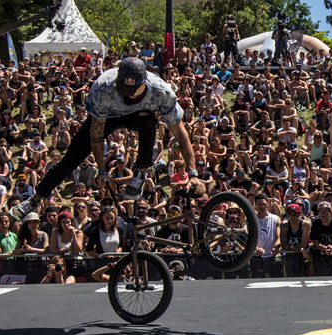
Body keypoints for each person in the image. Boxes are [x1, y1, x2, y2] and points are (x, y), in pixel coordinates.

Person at [13, 57, 196, 219]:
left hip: (139, 116)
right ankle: (36, 198)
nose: (126, 94)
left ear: (143, 82)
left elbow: (180, 133)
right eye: (123, 88)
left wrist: (193, 173)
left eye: (131, 90)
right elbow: (97, 134)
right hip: (107, 117)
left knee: (148, 120)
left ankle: (141, 172)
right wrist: (101, 169)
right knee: (70, 159)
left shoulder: (160, 92)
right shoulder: (103, 89)